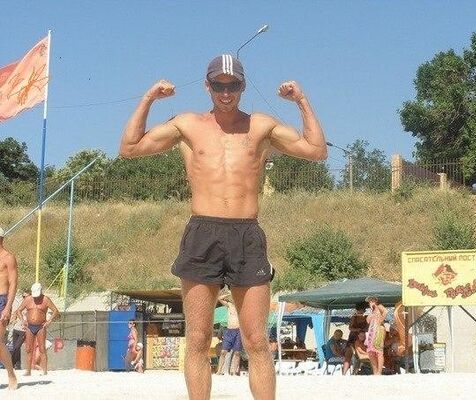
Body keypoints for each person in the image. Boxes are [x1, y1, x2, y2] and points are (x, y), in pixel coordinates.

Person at [119, 53, 326, 399]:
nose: (226, 93)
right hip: (203, 233)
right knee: (198, 339)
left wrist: (301, 101)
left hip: (247, 234)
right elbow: (129, 147)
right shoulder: (188, 124)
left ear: (243, 86)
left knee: (256, 340)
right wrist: (149, 98)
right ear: (208, 86)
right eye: (219, 85)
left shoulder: (261, 126)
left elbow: (316, 150)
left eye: (233, 85)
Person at [15, 282, 59, 376]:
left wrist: (49, 321)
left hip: (41, 327)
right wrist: (23, 320)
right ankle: (28, 371)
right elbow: (18, 310)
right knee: (28, 349)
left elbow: (55, 311)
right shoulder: (28, 299)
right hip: (29, 326)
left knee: (42, 348)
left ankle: (45, 371)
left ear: (41, 291)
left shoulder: (46, 299)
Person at [0, 227, 18, 390]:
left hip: (2, 300)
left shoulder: (8, 257)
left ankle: (11, 374)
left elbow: (13, 283)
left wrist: (8, 307)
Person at [216, 293, 242, 375]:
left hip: (239, 331)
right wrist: (229, 293)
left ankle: (233, 372)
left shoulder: (241, 305)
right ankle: (219, 370)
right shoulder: (229, 305)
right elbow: (219, 298)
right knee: (223, 352)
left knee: (237, 353)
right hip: (229, 331)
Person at [365, 296, 388, 375]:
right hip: (371, 331)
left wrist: (381, 320)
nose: (370, 302)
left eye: (372, 301)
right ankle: (375, 371)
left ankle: (379, 371)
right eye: (369, 301)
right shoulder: (372, 311)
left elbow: (385, 311)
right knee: (371, 351)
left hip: (379, 329)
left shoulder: (379, 306)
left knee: (378, 350)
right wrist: (371, 313)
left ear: (375, 301)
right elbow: (368, 321)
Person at [10, 290, 30, 369]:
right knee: (15, 348)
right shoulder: (21, 304)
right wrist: (13, 319)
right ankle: (17, 365)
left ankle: (11, 363)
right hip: (16, 328)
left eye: (26, 297)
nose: (24, 298)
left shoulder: (31, 306)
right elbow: (15, 312)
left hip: (23, 330)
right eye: (23, 296)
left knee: (16, 347)